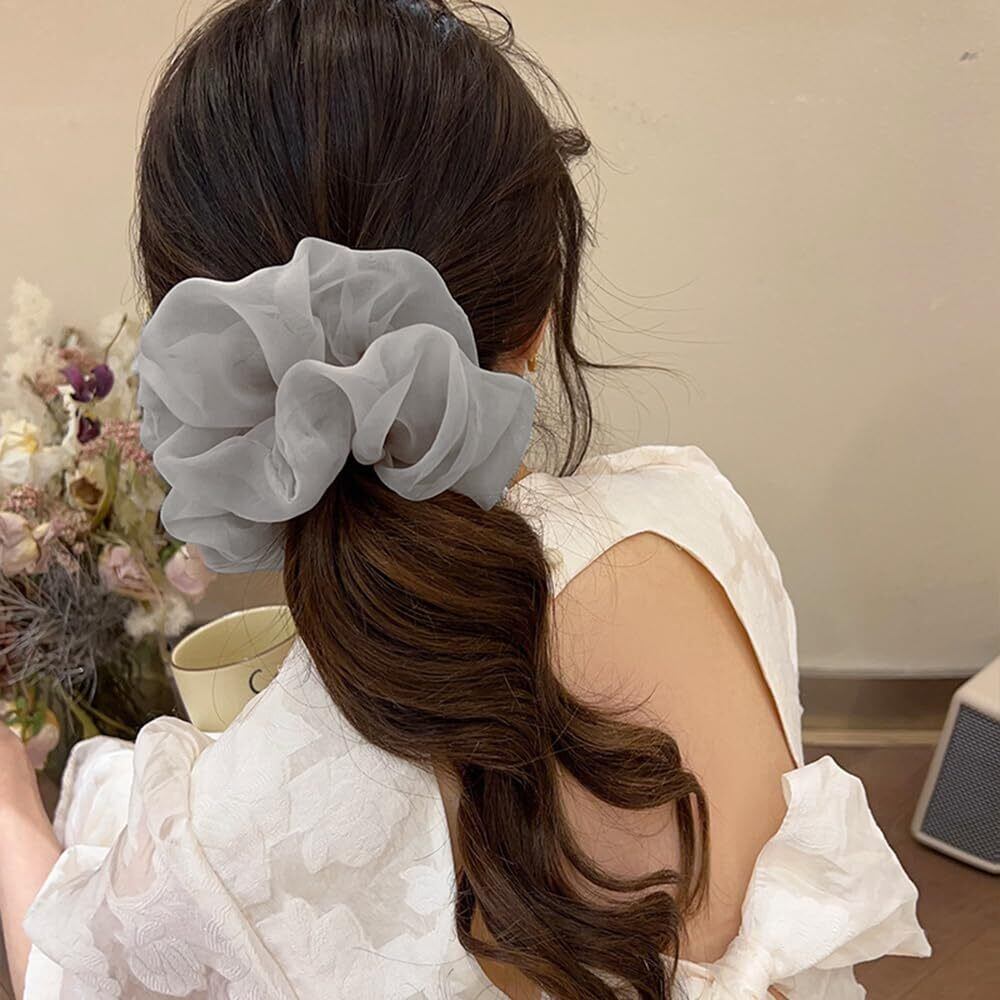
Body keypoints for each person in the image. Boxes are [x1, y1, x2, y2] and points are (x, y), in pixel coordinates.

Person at [0, 2, 930, 997]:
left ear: (200, 369)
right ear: (537, 314)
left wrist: (11, 800)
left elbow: (65, 974)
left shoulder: (236, 828)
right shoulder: (695, 516)